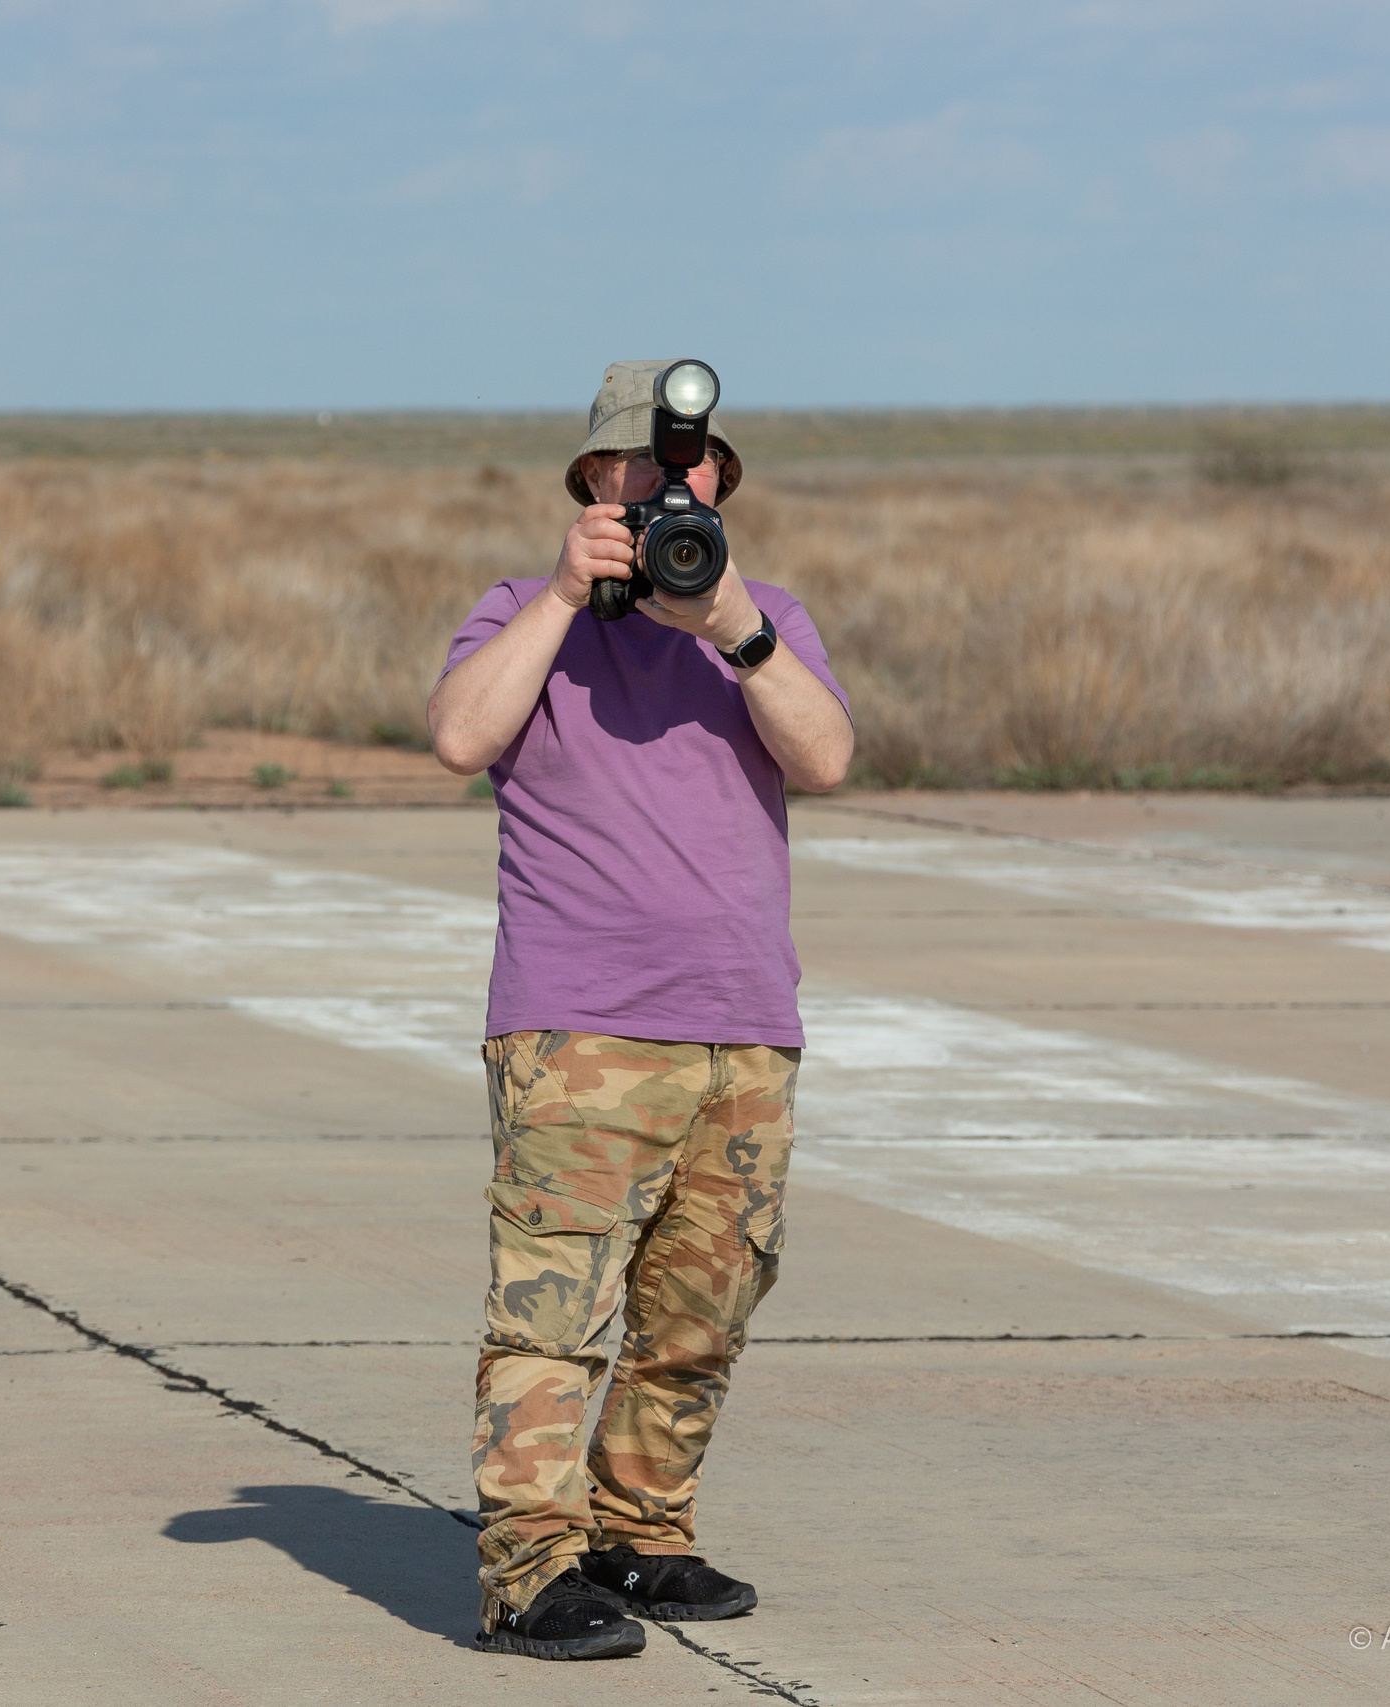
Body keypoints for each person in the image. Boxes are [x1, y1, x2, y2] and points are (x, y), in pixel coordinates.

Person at [427, 360, 854, 1662]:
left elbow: (826, 757)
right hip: (581, 1031)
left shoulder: (764, 618)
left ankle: (638, 1535)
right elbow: (458, 738)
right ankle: (529, 1571)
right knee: (553, 1313)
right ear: (590, 485)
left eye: (691, 467)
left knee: (700, 1312)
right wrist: (566, 594)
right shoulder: (521, 616)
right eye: (639, 469)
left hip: (743, 1035)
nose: (669, 485)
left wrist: (731, 623)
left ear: (720, 481)